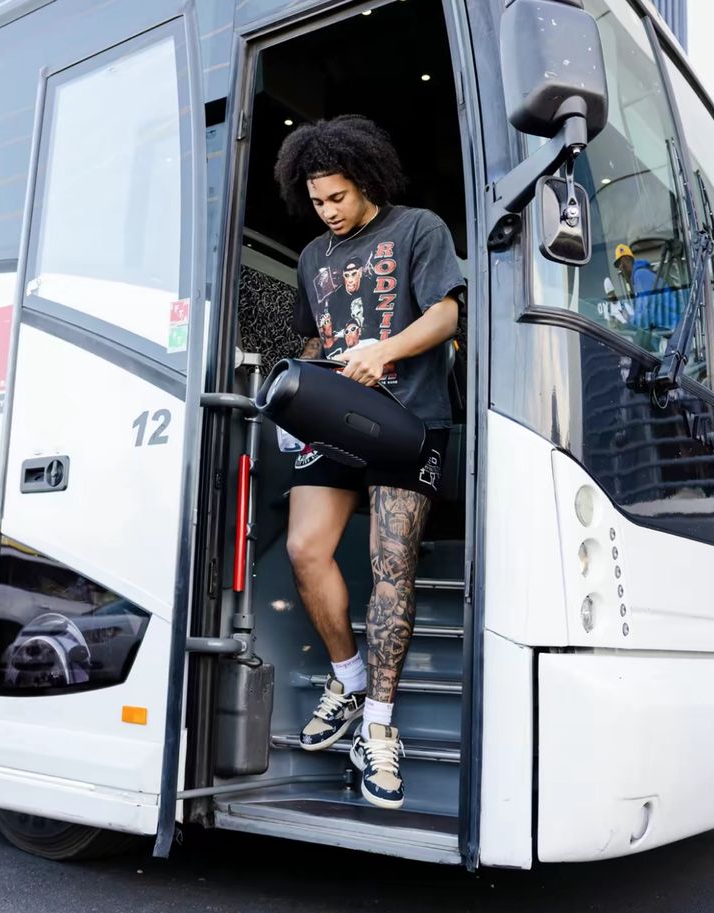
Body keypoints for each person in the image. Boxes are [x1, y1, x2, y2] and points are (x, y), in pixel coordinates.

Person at [274, 115, 463, 810]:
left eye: (339, 197)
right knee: (304, 547)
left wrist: (384, 350)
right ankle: (348, 678)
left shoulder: (419, 229)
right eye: (318, 200)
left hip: (409, 417)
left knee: (393, 567)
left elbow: (445, 316)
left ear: (368, 182)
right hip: (333, 419)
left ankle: (379, 730)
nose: (328, 210)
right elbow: (315, 333)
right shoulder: (311, 257)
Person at [613, 242, 682, 335]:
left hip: (670, 328)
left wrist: (628, 324)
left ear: (629, 260)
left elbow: (647, 311)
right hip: (665, 328)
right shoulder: (637, 279)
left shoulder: (640, 275)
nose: (620, 268)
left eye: (621, 262)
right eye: (618, 266)